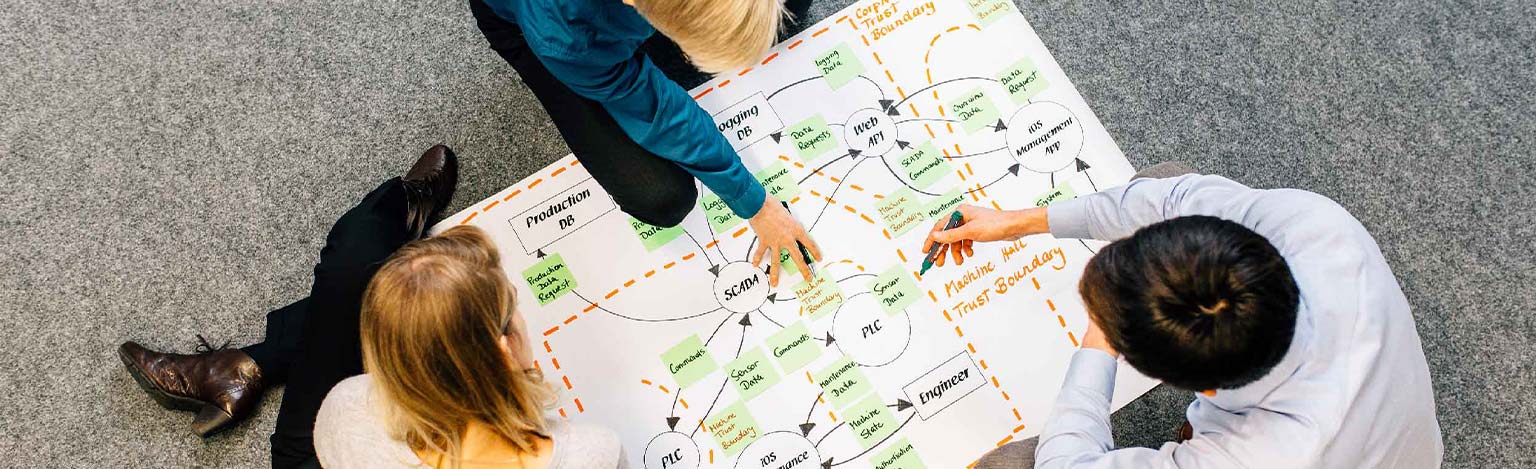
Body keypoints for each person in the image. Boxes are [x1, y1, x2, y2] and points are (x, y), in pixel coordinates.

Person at [928, 169, 1443, 468]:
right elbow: (1169, 197)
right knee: (1159, 177)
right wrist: (1023, 221)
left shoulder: (1254, 458)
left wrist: (1097, 345)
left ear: (1200, 388)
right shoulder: (1316, 223)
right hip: (1395, 441)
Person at [119, 146, 461, 467]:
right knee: (407, 295)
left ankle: (238, 370)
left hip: (323, 454)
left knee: (363, 267)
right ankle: (241, 368)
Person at [468, 0, 820, 286]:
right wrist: (754, 203)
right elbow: (662, 114)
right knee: (662, 197)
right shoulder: (569, 38)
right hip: (549, 31)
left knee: (790, 10)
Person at [312, 225, 623, 468]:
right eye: (511, 302)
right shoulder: (593, 455)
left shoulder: (347, 404)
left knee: (348, 255)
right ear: (504, 354)